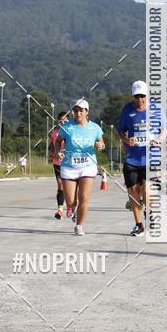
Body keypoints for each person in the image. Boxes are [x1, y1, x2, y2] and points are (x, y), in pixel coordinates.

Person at [117, 80, 163, 237]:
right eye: (136, 97)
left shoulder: (156, 109)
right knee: (133, 193)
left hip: (151, 159)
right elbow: (121, 131)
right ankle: (139, 225)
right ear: (132, 96)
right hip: (132, 159)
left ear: (147, 95)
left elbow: (164, 129)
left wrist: (159, 140)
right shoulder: (127, 110)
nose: (140, 100)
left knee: (147, 192)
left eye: (142, 96)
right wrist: (125, 139)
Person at [52, 99, 104, 236]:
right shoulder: (67, 127)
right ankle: (72, 209)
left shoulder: (95, 128)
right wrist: (57, 151)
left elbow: (101, 142)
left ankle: (79, 225)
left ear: (87, 112)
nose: (78, 112)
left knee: (84, 197)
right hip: (69, 167)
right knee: (70, 201)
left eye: (81, 110)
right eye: (75, 110)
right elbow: (58, 141)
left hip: (88, 166)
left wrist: (100, 146)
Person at [48, 110, 69, 220]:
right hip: (57, 163)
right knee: (60, 186)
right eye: (61, 120)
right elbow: (52, 146)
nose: (63, 121)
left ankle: (70, 205)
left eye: (65, 119)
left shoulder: (71, 131)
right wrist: (53, 155)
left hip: (69, 163)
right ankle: (60, 210)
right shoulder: (54, 132)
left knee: (69, 186)